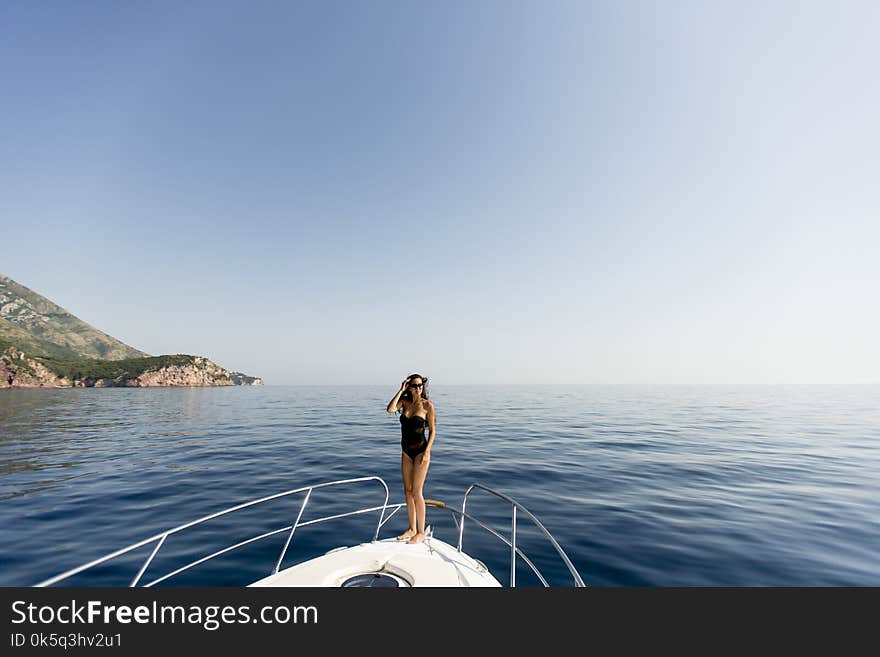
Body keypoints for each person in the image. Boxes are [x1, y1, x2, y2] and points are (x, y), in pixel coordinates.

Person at [385, 373, 435, 544]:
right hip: (406, 452)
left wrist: (427, 452)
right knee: (407, 491)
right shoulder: (404, 403)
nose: (418, 388)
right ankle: (411, 528)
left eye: (421, 385)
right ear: (409, 387)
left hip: (421, 452)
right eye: (415, 385)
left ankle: (421, 532)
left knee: (416, 492)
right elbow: (390, 409)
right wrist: (401, 390)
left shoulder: (427, 406)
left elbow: (433, 431)